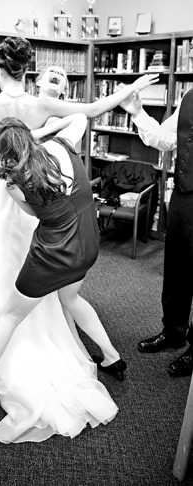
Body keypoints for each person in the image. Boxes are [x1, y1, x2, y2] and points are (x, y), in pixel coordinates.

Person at [0, 36, 156, 439]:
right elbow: (91, 109)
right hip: (37, 192)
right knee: (29, 260)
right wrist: (131, 87)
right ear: (26, 69)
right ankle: (62, 339)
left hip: (7, 186)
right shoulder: (42, 105)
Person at [0, 114, 126, 422]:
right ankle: (112, 356)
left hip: (53, 254)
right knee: (71, 298)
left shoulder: (12, 181)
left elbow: (34, 214)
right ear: (28, 135)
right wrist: (38, 131)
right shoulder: (63, 144)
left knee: (9, 316)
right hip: (87, 244)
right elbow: (78, 117)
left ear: (3, 151)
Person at [119, 85, 193, 376]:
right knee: (176, 268)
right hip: (185, 195)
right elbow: (165, 138)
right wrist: (138, 112)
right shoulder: (189, 97)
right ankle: (173, 332)